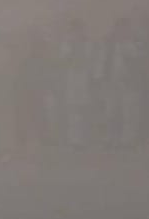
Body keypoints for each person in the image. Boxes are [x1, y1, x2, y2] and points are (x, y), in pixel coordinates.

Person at [98, 17, 144, 149]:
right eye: (119, 28)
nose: (122, 31)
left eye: (124, 28)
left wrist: (132, 72)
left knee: (129, 111)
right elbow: (101, 63)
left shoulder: (132, 43)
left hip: (128, 82)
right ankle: (109, 138)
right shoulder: (108, 44)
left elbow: (137, 62)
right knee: (110, 110)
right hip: (110, 82)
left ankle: (128, 139)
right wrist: (100, 79)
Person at [58, 19, 94, 149]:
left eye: (78, 29)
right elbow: (63, 61)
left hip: (84, 77)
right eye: (73, 29)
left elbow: (91, 61)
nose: (76, 32)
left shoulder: (88, 43)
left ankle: (85, 138)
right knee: (73, 109)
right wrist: (73, 51)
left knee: (84, 108)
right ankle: (74, 140)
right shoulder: (67, 43)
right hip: (72, 77)